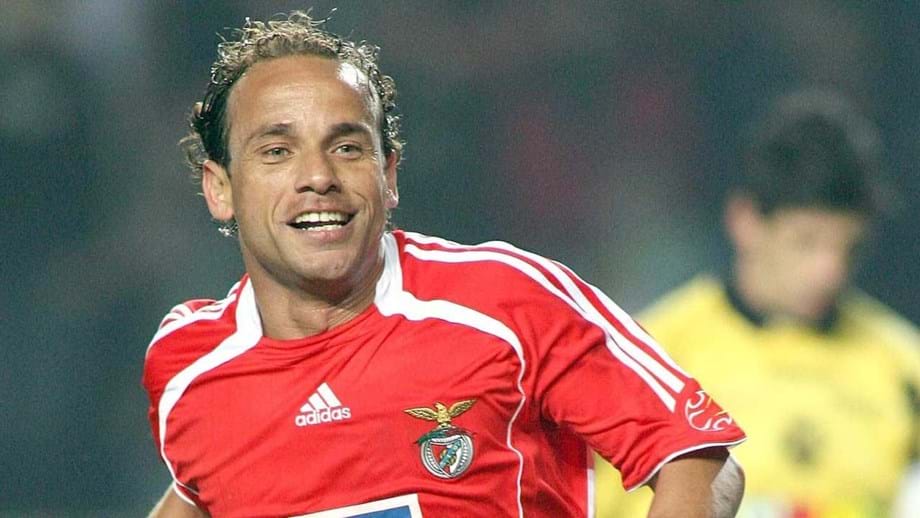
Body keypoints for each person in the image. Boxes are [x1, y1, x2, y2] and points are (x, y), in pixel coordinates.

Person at [142, 11, 746, 518]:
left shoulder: (505, 299)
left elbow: (696, 460)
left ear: (388, 175)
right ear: (220, 188)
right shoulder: (188, 363)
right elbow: (199, 487)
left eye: (347, 147)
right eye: (277, 151)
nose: (319, 177)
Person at [595, 89, 920, 517]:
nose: (830, 271)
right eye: (806, 242)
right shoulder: (653, 354)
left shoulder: (905, 365)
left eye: (849, 247)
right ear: (745, 221)